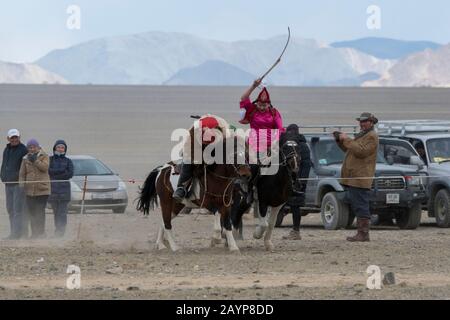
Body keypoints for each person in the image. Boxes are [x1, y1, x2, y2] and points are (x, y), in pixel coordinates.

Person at [239, 78, 285, 202]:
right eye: (260, 104)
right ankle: (249, 190)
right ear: (257, 103)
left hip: (271, 145)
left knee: (285, 164)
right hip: (254, 145)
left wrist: (275, 143)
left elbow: (280, 129)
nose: (262, 107)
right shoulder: (252, 110)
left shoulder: (275, 113)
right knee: (252, 167)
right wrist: (253, 85)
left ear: (269, 104)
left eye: (265, 105)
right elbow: (243, 98)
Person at [335, 113, 379, 242]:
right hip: (354, 177)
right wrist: (340, 140)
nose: (362, 123)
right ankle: (362, 233)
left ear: (371, 122)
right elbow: (351, 150)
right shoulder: (363, 135)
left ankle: (363, 234)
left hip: (361, 177)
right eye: (361, 121)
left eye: (365, 121)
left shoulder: (372, 136)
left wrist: (347, 139)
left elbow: (361, 152)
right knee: (358, 204)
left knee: (361, 205)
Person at [173, 114, 231, 202]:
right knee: (188, 162)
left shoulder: (225, 131)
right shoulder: (193, 133)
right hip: (194, 145)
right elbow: (191, 151)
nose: (207, 144)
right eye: (205, 143)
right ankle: (181, 188)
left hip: (218, 140)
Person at [280, 124, 312, 240]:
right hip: (291, 180)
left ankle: (296, 231)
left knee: (295, 206)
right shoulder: (300, 145)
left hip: (296, 181)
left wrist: (301, 181)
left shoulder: (301, 146)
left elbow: (306, 164)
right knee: (291, 205)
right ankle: (294, 230)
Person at [19, 139, 50, 239]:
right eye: (30, 147)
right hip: (30, 190)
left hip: (42, 189)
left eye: (33, 146)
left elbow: (45, 168)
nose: (32, 148)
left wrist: (35, 160)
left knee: (40, 211)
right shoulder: (25, 159)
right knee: (32, 212)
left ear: (38, 147)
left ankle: (41, 233)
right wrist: (21, 184)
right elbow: (22, 174)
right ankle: (34, 234)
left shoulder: (44, 156)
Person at [0, 129, 28, 240]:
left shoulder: (23, 150)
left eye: (16, 137)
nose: (14, 139)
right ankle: (13, 232)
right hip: (8, 183)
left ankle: (17, 233)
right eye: (12, 137)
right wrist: (2, 175)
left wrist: (18, 177)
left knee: (17, 209)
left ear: (19, 137)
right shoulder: (6, 150)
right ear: (8, 138)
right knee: (10, 209)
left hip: (18, 184)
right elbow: (4, 164)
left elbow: (25, 167)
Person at [48, 140, 74, 237]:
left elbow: (70, 174)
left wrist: (55, 174)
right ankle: (57, 231)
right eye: (58, 147)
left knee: (62, 213)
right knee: (56, 213)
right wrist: (62, 171)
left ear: (65, 149)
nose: (60, 149)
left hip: (64, 192)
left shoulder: (68, 161)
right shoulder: (50, 159)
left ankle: (61, 232)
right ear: (55, 148)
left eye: (62, 147)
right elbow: (48, 171)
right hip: (53, 190)